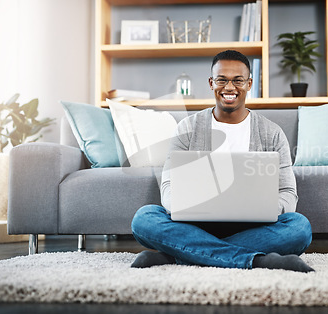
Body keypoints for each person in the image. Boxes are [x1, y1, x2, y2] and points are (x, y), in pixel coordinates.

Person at [130, 50, 314, 272]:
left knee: (299, 227)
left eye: (238, 80)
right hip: (194, 224)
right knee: (145, 218)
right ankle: (259, 260)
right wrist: (184, 207)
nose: (229, 88)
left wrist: (264, 209)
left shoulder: (272, 133)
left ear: (249, 84)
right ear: (211, 83)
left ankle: (178, 255)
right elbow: (169, 186)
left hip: (254, 227)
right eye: (222, 80)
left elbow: (287, 192)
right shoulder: (187, 128)